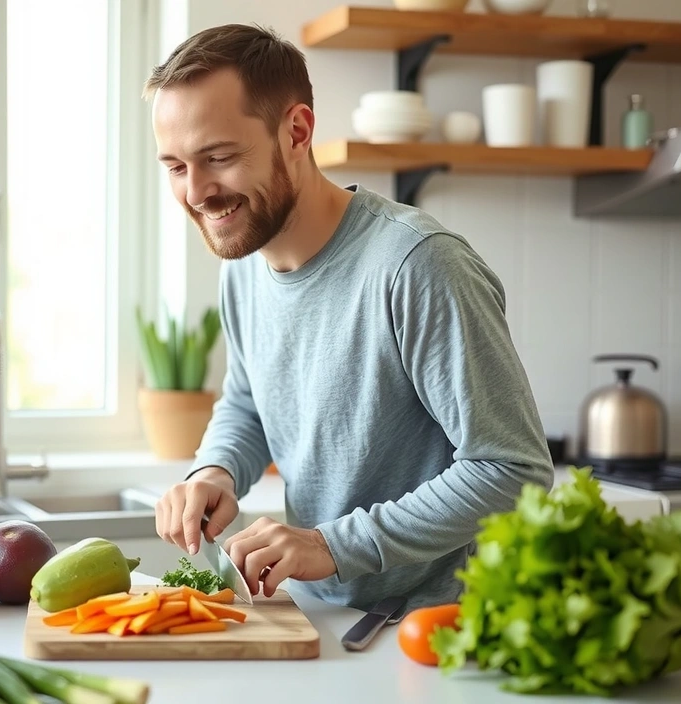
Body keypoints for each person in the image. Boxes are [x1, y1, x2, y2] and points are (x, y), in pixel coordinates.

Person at [142, 23, 554, 613]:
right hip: (320, 614)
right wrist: (216, 471)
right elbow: (249, 402)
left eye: (220, 158)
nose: (197, 192)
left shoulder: (417, 265)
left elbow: (512, 470)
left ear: (297, 131)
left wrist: (330, 545)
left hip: (439, 625)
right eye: (176, 167)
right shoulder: (244, 265)